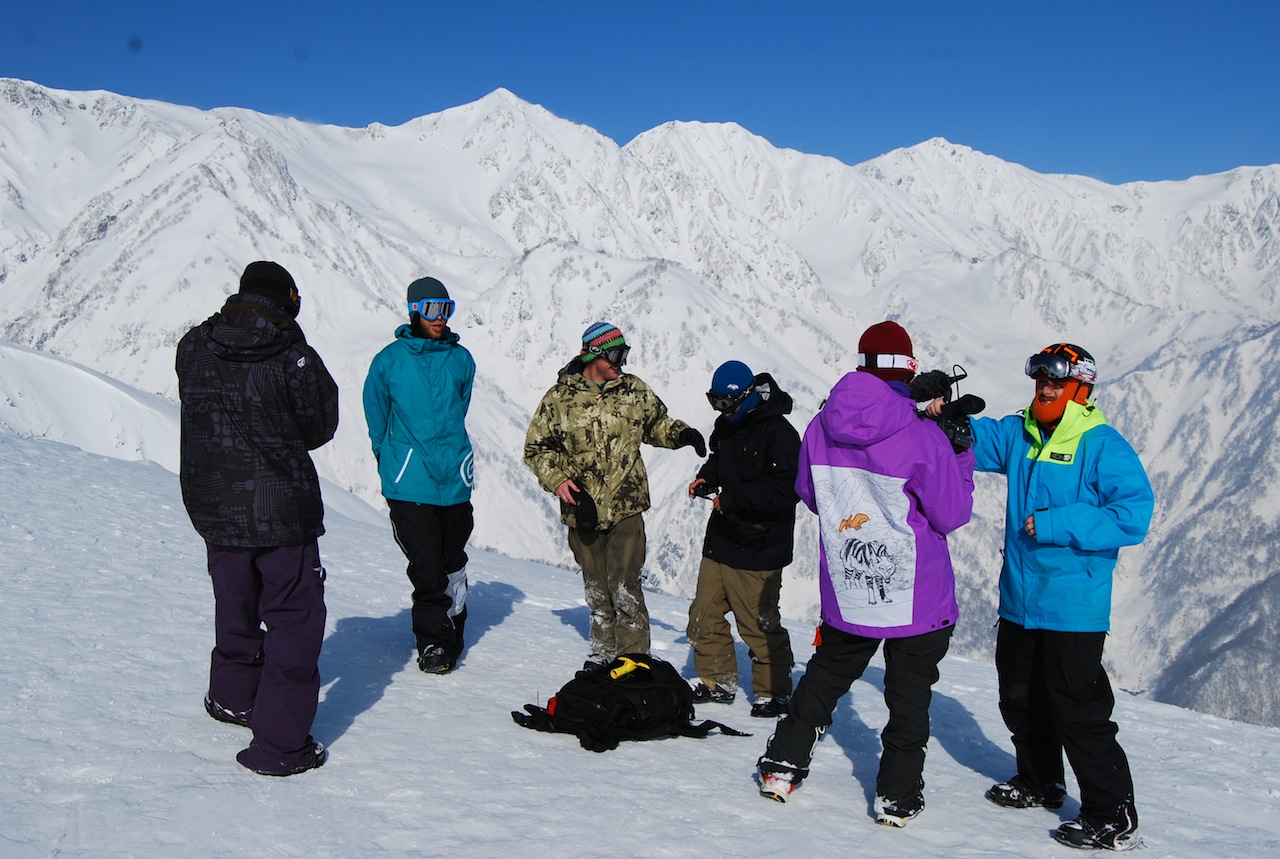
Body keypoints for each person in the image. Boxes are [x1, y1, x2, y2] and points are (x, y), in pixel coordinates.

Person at [757, 321, 975, 827]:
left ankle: (782, 766)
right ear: (909, 370)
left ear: (861, 364)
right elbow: (951, 514)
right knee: (908, 698)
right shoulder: (922, 435)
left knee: (826, 677)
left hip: (851, 586)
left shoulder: (819, 426)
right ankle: (897, 798)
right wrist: (960, 453)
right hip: (916, 596)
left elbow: (812, 496)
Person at [971, 343, 1154, 852]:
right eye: (1040, 383)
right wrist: (941, 411)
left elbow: (1132, 515)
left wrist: (1058, 523)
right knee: (1021, 700)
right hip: (1020, 602)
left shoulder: (1101, 444)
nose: (1045, 391)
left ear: (1080, 389)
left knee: (1079, 712)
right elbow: (973, 441)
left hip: (1073, 606)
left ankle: (1110, 812)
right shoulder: (1021, 432)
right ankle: (1039, 780)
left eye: (1056, 384)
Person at [176, 260, 338, 776]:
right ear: (288, 298)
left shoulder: (194, 345)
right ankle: (280, 746)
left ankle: (232, 697)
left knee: (235, 599)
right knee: (294, 620)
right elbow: (319, 426)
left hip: (213, 503)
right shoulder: (293, 356)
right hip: (280, 510)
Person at [524, 321, 706, 667]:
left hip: (626, 505)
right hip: (583, 509)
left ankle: (634, 658)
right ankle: (604, 654)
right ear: (594, 353)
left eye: (624, 354)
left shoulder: (633, 390)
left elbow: (656, 424)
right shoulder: (559, 399)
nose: (621, 362)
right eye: (615, 354)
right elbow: (536, 449)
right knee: (596, 588)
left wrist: (682, 435)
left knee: (626, 586)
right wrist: (559, 481)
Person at [363, 276, 476, 675]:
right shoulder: (389, 361)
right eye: (431, 309)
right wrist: (393, 461)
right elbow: (376, 419)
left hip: (455, 480)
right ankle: (433, 644)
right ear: (414, 310)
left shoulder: (461, 359)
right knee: (426, 567)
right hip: (411, 483)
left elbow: (457, 412)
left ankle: (454, 626)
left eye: (446, 309)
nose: (440, 317)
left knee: (453, 562)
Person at [686, 360, 799, 717]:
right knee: (704, 614)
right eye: (715, 402)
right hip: (723, 538)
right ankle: (716, 680)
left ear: (748, 396)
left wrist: (735, 498)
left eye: (727, 403)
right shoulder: (728, 426)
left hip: (760, 546)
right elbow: (722, 462)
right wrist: (707, 477)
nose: (722, 410)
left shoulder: (780, 434)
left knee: (757, 624)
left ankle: (774, 691)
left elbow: (787, 489)